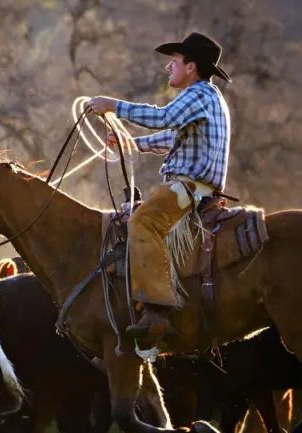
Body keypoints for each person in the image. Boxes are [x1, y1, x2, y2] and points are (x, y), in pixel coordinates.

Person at [87, 32, 232, 343]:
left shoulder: (198, 95)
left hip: (190, 188)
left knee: (143, 221)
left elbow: (163, 117)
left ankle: (156, 310)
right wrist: (132, 144)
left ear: (191, 67)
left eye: (175, 61)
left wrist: (113, 106)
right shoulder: (207, 98)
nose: (169, 67)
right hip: (195, 187)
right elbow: (174, 137)